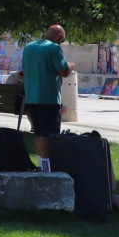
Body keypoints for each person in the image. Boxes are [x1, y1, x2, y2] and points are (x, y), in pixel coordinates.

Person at [20, 25, 72, 170]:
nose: (62, 42)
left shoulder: (29, 47)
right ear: (59, 35)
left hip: (32, 97)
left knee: (39, 134)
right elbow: (64, 72)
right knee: (50, 136)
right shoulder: (54, 48)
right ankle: (48, 168)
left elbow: (24, 70)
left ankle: (43, 166)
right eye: (63, 39)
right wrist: (70, 66)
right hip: (49, 99)